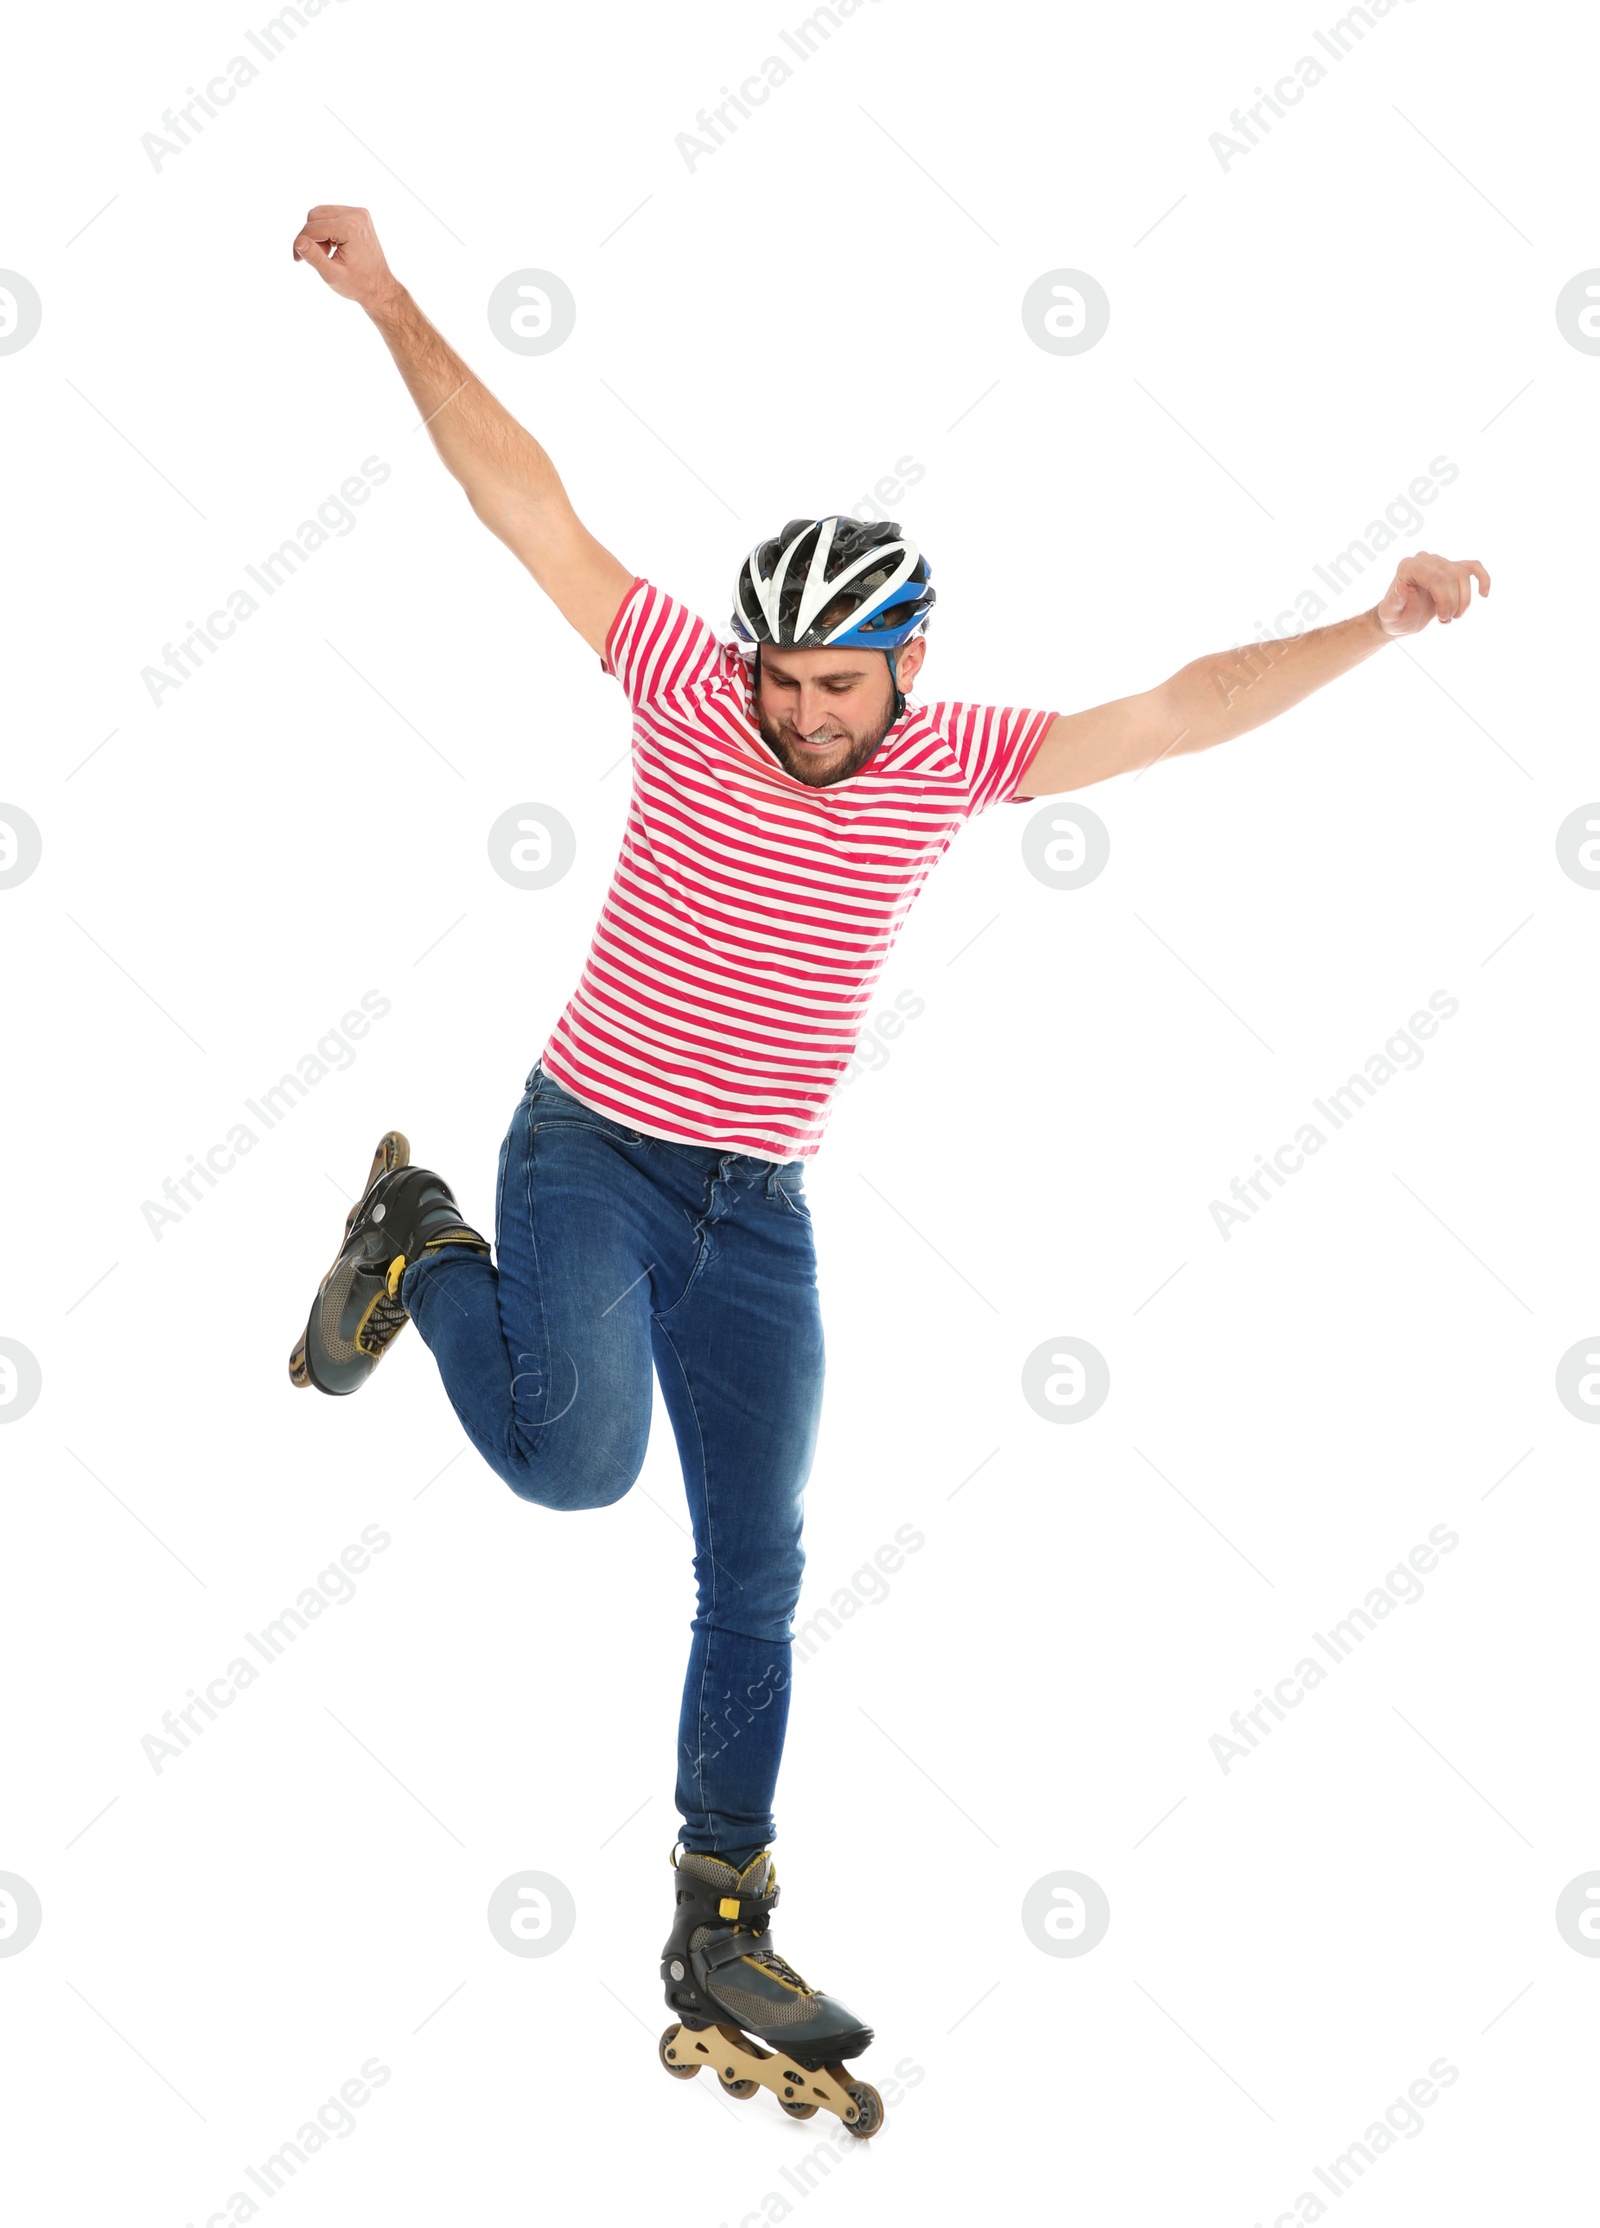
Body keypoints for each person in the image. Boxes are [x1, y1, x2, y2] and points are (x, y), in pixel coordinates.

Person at [287, 204, 1490, 2136]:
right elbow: (532, 507)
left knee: (754, 1569)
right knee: (575, 1465)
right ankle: (425, 1237)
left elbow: (1181, 709)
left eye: (841, 686)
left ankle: (719, 1915)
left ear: (906, 668)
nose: (804, 715)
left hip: (755, 1212)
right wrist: (395, 306)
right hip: (588, 1146)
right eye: (786, 680)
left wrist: (1378, 624)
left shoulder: (956, 757)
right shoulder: (686, 682)